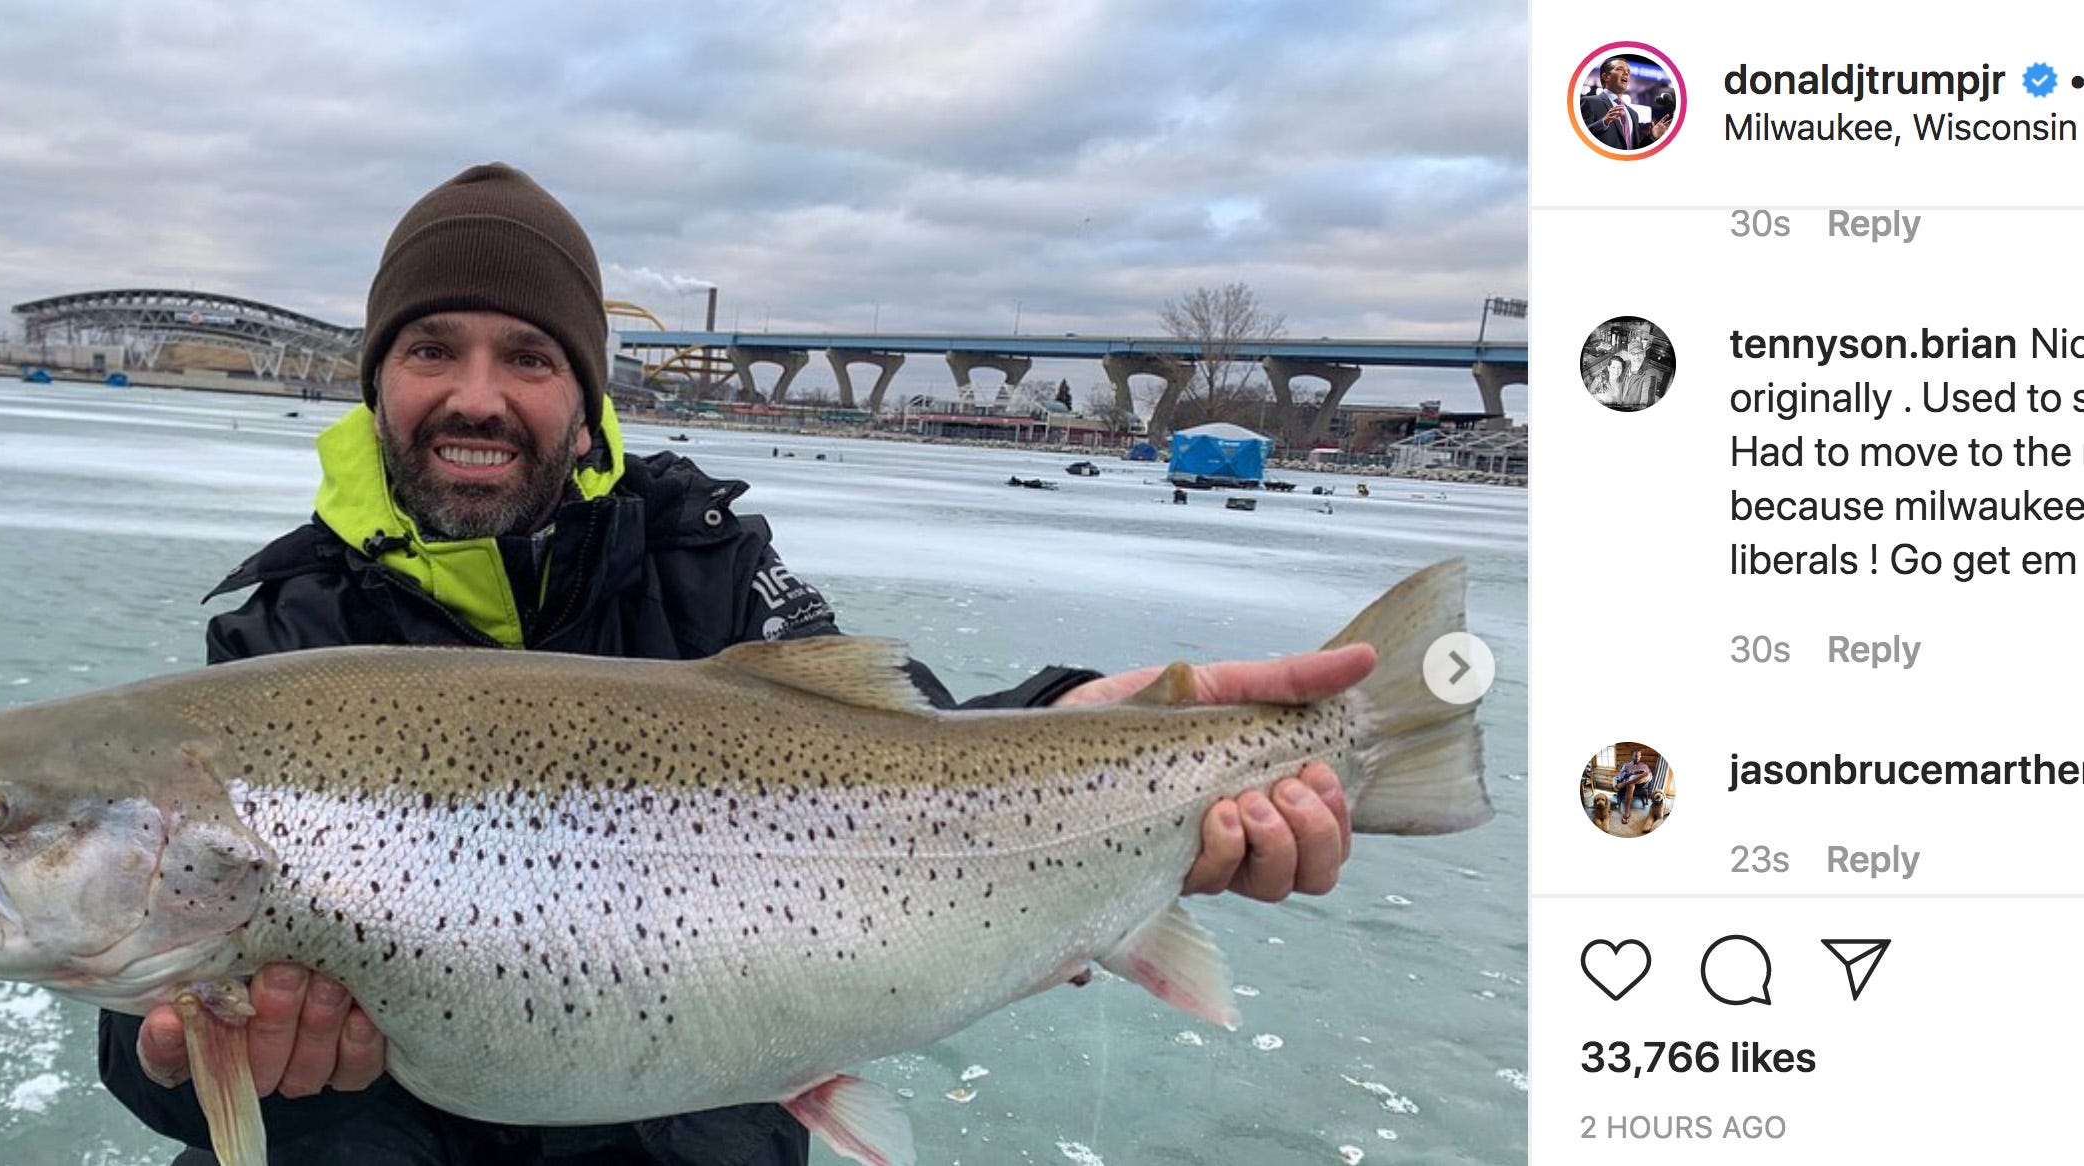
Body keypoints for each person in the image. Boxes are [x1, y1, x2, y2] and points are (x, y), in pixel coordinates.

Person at [98, 163, 1362, 1165]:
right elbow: (142, 1004)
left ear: (585, 397)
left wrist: (1063, 719)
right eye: (433, 349)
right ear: (377, 383)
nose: (476, 396)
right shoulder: (281, 636)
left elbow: (903, 751)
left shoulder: (702, 558)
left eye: (529, 357)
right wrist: (168, 1058)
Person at [1580, 57, 1640, 151]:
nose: (1626, 73)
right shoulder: (1589, 102)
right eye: (1620, 69)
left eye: (1628, 71)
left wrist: (1652, 138)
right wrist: (1604, 122)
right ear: (1605, 76)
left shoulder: (1634, 114)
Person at [1612, 750, 1656, 823]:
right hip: (1630, 783)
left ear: (1640, 756)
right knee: (1631, 785)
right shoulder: (1626, 765)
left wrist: (1643, 774)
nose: (1637, 757)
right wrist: (1631, 773)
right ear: (1632, 756)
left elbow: (1649, 777)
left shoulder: (1644, 766)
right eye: (1635, 756)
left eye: (1639, 756)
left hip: (1641, 784)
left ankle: (1624, 783)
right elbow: (1620, 776)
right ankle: (1626, 813)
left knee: (1648, 773)